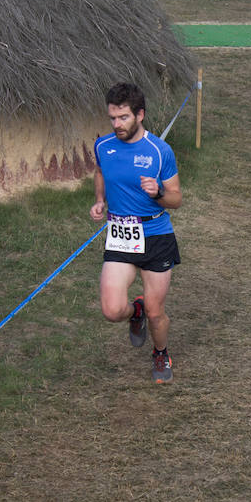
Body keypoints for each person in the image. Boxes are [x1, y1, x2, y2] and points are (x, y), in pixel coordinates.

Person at [90, 83, 184, 383]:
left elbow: (176, 199)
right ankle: (135, 312)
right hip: (120, 233)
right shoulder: (104, 146)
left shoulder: (160, 151)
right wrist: (100, 201)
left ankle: (160, 352)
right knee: (111, 309)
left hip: (156, 234)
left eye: (124, 118)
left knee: (157, 314)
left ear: (140, 115)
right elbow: (101, 171)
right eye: (113, 118)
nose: (117, 124)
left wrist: (157, 193)